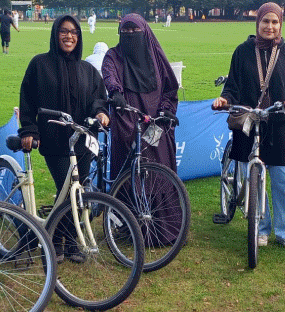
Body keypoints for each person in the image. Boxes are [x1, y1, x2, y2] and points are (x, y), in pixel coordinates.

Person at [212, 3, 285, 249]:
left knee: (284, 181)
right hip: (249, 122)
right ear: (257, 23)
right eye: (266, 21)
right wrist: (224, 99)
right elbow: (232, 86)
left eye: (275, 22)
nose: (270, 27)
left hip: (280, 123)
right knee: (252, 178)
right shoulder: (243, 51)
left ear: (281, 25)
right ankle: (260, 228)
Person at [18, 16, 109, 259]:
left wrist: (100, 112)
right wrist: (28, 129)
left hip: (83, 140)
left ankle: (68, 241)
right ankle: (60, 242)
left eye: (74, 32)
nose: (69, 36)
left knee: (77, 193)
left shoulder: (87, 70)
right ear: (55, 34)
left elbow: (98, 99)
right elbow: (28, 99)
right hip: (55, 140)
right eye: (64, 31)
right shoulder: (40, 65)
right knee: (65, 189)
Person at [102, 14, 179, 178]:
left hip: (155, 122)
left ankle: (158, 204)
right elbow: (109, 75)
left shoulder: (156, 58)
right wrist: (115, 92)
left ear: (145, 31)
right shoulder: (114, 56)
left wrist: (166, 109)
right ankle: (126, 204)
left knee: (158, 164)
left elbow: (170, 87)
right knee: (129, 169)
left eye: (135, 29)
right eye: (126, 30)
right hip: (128, 122)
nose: (131, 34)